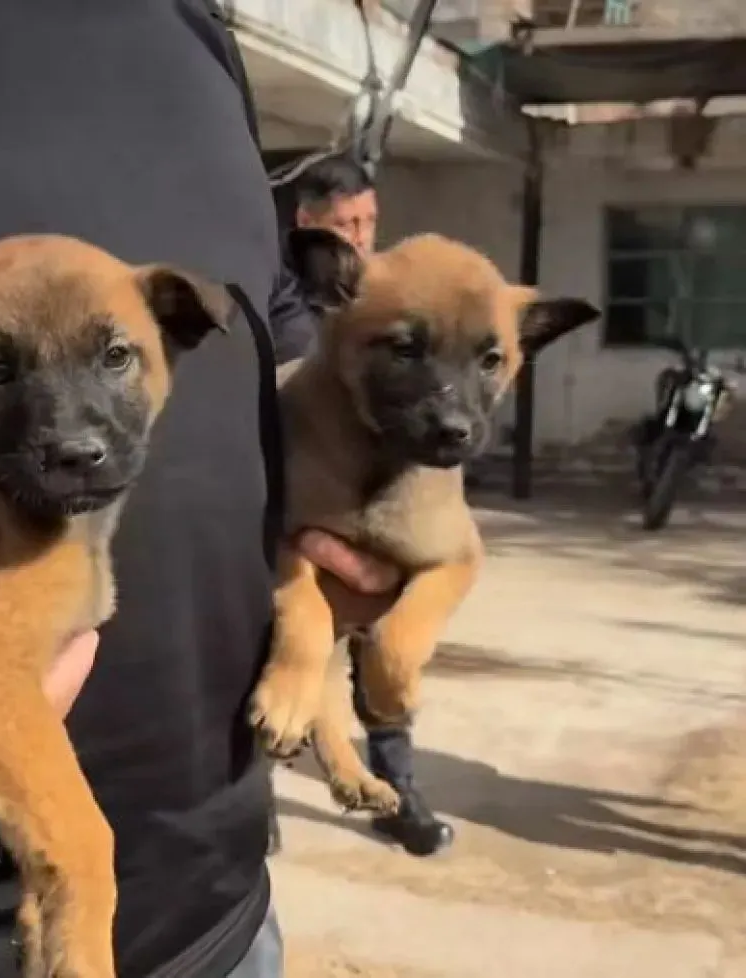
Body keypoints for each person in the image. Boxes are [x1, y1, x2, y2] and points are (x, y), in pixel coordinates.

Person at [0, 2, 399, 976]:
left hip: (214, 918)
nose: (72, 434)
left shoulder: (188, 27)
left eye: (113, 361)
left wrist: (347, 511)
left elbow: (260, 337)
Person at [270, 154, 454, 858]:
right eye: (345, 225)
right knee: (290, 653)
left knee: (383, 651)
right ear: (307, 230)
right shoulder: (288, 307)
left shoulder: (394, 298)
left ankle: (398, 791)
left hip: (383, 507)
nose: (361, 236)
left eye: (368, 221)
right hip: (299, 512)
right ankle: (262, 807)